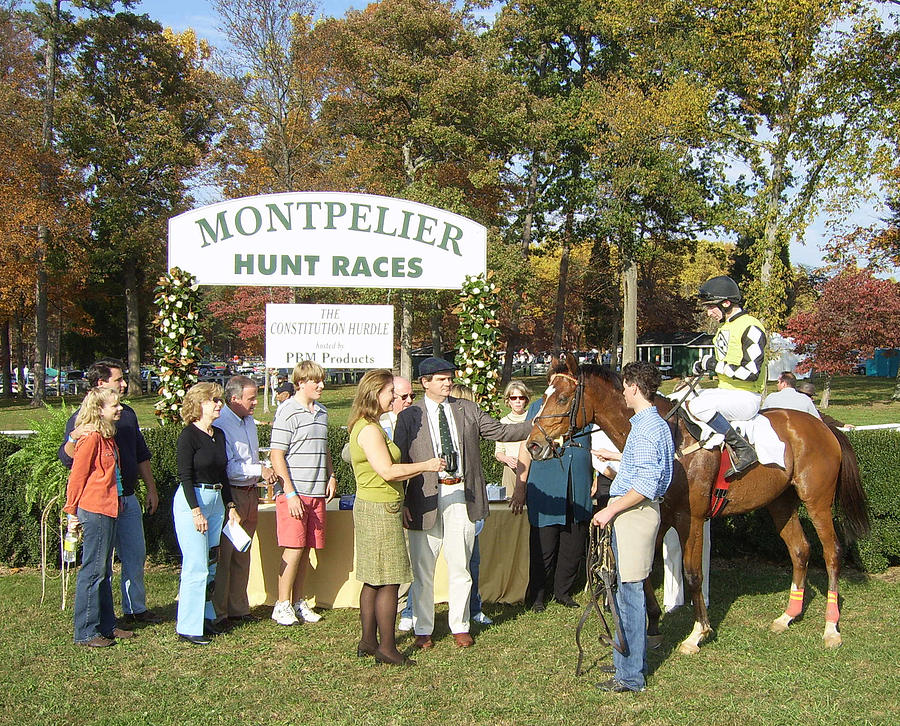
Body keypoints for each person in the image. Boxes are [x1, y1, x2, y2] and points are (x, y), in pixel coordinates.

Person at [394, 356, 532, 649]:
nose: (448, 383)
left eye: (450, 377)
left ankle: (460, 625)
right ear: (425, 382)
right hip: (424, 499)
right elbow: (401, 461)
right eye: (442, 379)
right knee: (423, 568)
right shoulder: (410, 416)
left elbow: (502, 432)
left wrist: (539, 425)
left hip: (462, 495)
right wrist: (405, 501)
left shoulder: (466, 409)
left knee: (461, 565)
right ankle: (423, 629)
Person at [348, 369, 445, 665]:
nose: (396, 397)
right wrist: (427, 465)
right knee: (389, 581)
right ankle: (387, 648)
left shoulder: (365, 424)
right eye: (391, 392)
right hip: (379, 511)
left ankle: (368, 640)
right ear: (375, 394)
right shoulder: (370, 429)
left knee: (372, 581)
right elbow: (388, 470)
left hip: (375, 506)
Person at [592, 362, 674, 693]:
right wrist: (615, 459)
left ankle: (629, 676)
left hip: (633, 515)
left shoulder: (646, 428)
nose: (622, 392)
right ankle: (629, 663)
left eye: (625, 386)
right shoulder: (652, 424)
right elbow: (645, 467)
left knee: (628, 594)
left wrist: (610, 510)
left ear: (635, 388)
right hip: (636, 513)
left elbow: (646, 482)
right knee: (627, 593)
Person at [59, 358, 161, 625]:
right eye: (118, 380)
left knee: (134, 555)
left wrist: (150, 488)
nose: (125, 384)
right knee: (99, 566)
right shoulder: (84, 423)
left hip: (126, 497)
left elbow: (141, 453)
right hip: (100, 503)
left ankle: (134, 609)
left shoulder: (127, 414)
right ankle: (94, 624)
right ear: (101, 383)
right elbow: (70, 461)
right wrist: (74, 438)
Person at [269, 360, 337, 626]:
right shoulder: (287, 411)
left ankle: (298, 602)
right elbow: (277, 455)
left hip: (316, 492)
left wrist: (330, 475)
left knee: (307, 547)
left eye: (321, 380)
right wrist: (289, 492)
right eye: (315, 381)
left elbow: (325, 448)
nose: (321, 385)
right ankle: (282, 604)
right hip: (294, 493)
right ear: (301, 383)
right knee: (294, 549)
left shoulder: (322, 412)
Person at [64, 387, 133, 647]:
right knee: (93, 571)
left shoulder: (107, 437)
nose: (120, 409)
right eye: (114, 405)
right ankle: (86, 632)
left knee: (104, 570)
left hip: (110, 507)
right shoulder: (92, 438)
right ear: (99, 409)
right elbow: (77, 476)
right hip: (95, 510)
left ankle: (106, 625)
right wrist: (71, 511)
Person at [511, 399, 593, 612]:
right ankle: (538, 595)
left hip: (578, 483)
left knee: (573, 542)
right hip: (546, 483)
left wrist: (595, 479)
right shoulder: (539, 406)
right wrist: (520, 488)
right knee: (543, 544)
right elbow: (525, 446)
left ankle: (563, 592)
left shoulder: (587, 406)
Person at [174, 383, 238, 645]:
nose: (219, 405)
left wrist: (231, 506)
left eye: (220, 400)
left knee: (211, 563)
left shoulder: (219, 435)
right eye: (214, 400)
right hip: (195, 500)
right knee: (196, 564)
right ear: (199, 403)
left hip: (216, 500)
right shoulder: (188, 436)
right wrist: (195, 510)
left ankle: (206, 617)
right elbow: (185, 475)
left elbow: (223, 473)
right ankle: (188, 626)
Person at [212, 376, 278, 626]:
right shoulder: (222, 424)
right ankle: (220, 612)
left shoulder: (248, 421)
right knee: (226, 555)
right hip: (233, 494)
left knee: (244, 552)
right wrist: (259, 470)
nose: (255, 403)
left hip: (250, 493)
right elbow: (229, 468)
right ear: (234, 398)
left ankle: (239, 608)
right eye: (251, 398)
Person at [689, 275, 767, 478]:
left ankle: (743, 449)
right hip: (728, 393)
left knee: (698, 406)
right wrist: (703, 366)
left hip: (747, 396)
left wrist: (715, 365)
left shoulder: (751, 326)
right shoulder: (724, 328)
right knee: (685, 396)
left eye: (711, 307)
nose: (708, 313)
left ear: (726, 303)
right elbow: (724, 363)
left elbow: (751, 372)